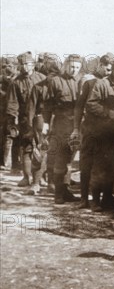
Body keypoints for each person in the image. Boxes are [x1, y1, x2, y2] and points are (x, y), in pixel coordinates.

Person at [85, 56, 114, 211]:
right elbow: (90, 104)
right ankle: (95, 200)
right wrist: (108, 113)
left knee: (113, 166)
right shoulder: (102, 84)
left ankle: (107, 198)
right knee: (100, 167)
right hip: (102, 133)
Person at [72, 53, 114, 208]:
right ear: (100, 65)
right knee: (86, 163)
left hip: (106, 130)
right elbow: (79, 106)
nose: (109, 73)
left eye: (111, 70)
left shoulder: (112, 83)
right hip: (89, 128)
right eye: (108, 69)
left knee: (103, 164)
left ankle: (103, 198)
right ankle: (84, 198)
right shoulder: (88, 81)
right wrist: (76, 128)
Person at [41, 55, 83, 203]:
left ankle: (66, 191)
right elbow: (47, 105)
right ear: (66, 65)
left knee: (69, 160)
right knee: (60, 158)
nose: (74, 70)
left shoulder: (80, 82)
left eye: (77, 67)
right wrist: (46, 123)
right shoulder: (55, 81)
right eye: (72, 66)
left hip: (76, 126)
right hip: (60, 125)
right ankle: (58, 193)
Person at [5, 53, 46, 187]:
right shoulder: (16, 82)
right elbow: (12, 103)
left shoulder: (42, 79)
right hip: (24, 119)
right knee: (27, 147)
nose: (23, 67)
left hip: (40, 117)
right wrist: (12, 122)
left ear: (33, 65)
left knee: (42, 147)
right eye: (21, 65)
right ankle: (27, 176)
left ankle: (41, 178)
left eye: (26, 64)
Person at [25, 54, 62, 194]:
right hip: (42, 122)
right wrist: (30, 127)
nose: (52, 77)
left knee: (55, 153)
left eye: (55, 74)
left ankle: (51, 183)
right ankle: (35, 183)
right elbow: (31, 109)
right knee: (39, 152)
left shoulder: (61, 86)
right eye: (50, 74)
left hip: (58, 122)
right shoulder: (38, 88)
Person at [1, 57, 19, 172]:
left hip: (13, 110)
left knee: (11, 135)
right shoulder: (4, 78)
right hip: (4, 110)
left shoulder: (16, 79)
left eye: (11, 66)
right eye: (6, 66)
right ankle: (4, 162)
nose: (8, 68)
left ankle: (12, 163)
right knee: (6, 135)